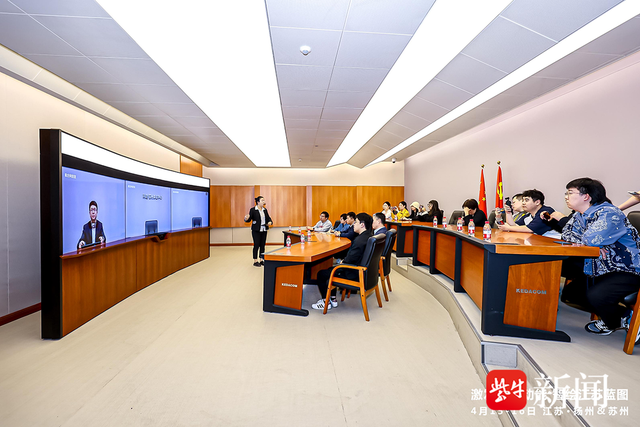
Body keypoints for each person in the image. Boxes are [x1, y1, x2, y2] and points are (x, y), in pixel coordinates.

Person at [558, 178, 640, 339]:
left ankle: (619, 320)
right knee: (570, 294)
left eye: (570, 193)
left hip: (627, 269)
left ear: (586, 196)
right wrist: (592, 242)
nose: (566, 197)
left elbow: (590, 240)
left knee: (596, 296)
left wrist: (592, 242)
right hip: (599, 267)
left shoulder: (609, 213)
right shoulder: (579, 214)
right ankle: (622, 317)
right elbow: (566, 234)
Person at [311, 213, 373, 311]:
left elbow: (349, 259)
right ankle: (333, 299)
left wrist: (342, 263)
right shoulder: (368, 236)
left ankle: (325, 302)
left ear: (362, 225)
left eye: (356, 222)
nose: (354, 225)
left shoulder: (359, 241)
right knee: (332, 268)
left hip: (352, 272)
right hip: (363, 272)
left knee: (322, 274)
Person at [244, 196, 273, 267]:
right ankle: (255, 261)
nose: (264, 202)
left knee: (262, 245)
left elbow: (268, 218)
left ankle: (261, 260)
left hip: (264, 230)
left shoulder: (265, 210)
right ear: (258, 202)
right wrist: (246, 218)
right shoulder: (253, 210)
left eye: (264, 200)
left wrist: (270, 222)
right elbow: (249, 219)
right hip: (256, 230)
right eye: (262, 200)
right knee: (256, 245)